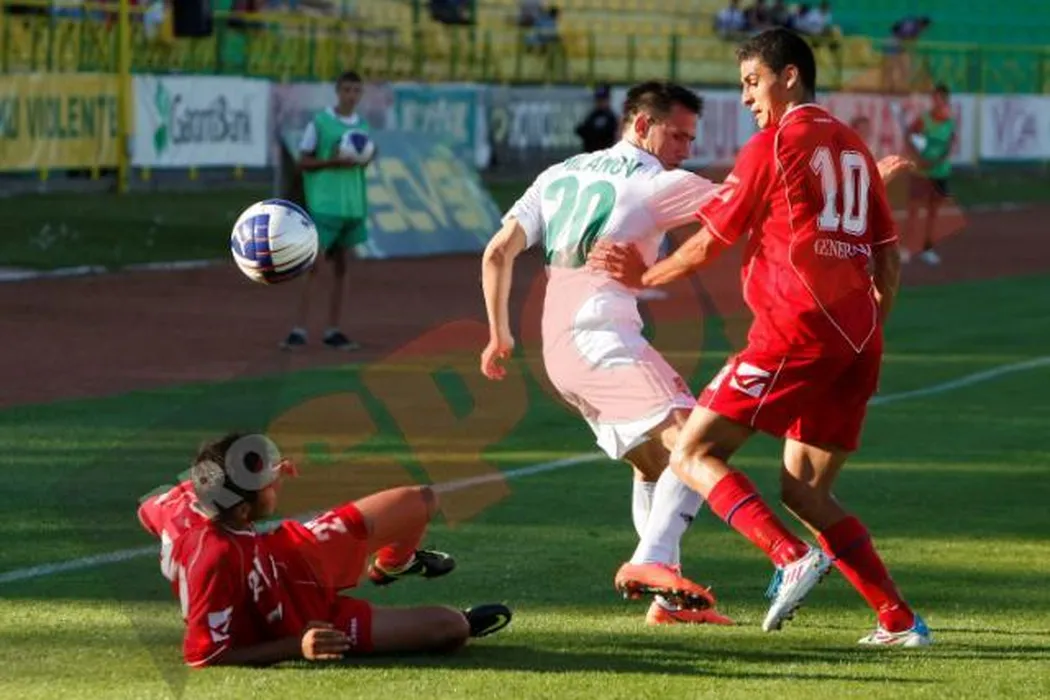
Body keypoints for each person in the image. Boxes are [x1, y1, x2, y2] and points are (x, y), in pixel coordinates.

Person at [588, 29, 931, 647]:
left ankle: (788, 556)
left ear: (789, 76)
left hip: (794, 330)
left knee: (691, 453)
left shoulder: (773, 144)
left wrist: (644, 277)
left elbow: (710, 241)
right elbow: (887, 255)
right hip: (858, 341)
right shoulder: (854, 148)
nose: (746, 98)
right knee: (805, 488)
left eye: (752, 82)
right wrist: (871, 323)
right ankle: (899, 620)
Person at [481, 81, 733, 627]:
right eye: (678, 135)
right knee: (697, 441)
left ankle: (667, 604)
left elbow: (498, 251)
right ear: (642, 125)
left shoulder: (559, 173)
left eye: (691, 138)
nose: (686, 149)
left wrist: (499, 334)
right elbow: (749, 203)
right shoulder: (656, 182)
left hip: (558, 349)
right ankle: (650, 563)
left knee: (653, 462)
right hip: (600, 339)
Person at [138, 433, 512, 667]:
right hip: (299, 620)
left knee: (421, 500)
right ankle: (460, 620)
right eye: (267, 483)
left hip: (293, 553)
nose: (276, 481)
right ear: (241, 511)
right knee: (451, 627)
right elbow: (205, 654)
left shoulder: (193, 497)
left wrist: (264, 473)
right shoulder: (214, 556)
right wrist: (296, 646)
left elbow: (148, 509)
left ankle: (393, 566)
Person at [281, 70, 374, 352]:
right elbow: (303, 161)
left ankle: (334, 329)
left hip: (352, 205)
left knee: (343, 268)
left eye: (356, 91)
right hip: (324, 204)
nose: (351, 96)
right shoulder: (320, 123)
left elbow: (362, 163)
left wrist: (365, 159)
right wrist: (332, 162)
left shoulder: (363, 127)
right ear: (337, 92)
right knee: (314, 266)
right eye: (346, 90)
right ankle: (298, 329)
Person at [903, 83, 956, 265]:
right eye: (935, 98)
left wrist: (936, 161)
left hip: (940, 172)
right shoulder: (924, 120)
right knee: (914, 210)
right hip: (921, 172)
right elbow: (910, 136)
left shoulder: (950, 122)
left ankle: (928, 247)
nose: (938, 101)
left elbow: (949, 146)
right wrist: (918, 158)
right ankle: (906, 247)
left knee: (933, 212)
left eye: (941, 98)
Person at [574, 84, 619, 154]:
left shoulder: (611, 116)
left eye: (603, 100)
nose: (600, 102)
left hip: (605, 154)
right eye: (598, 100)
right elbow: (580, 130)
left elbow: (609, 134)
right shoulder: (592, 115)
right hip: (590, 153)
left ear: (608, 100)